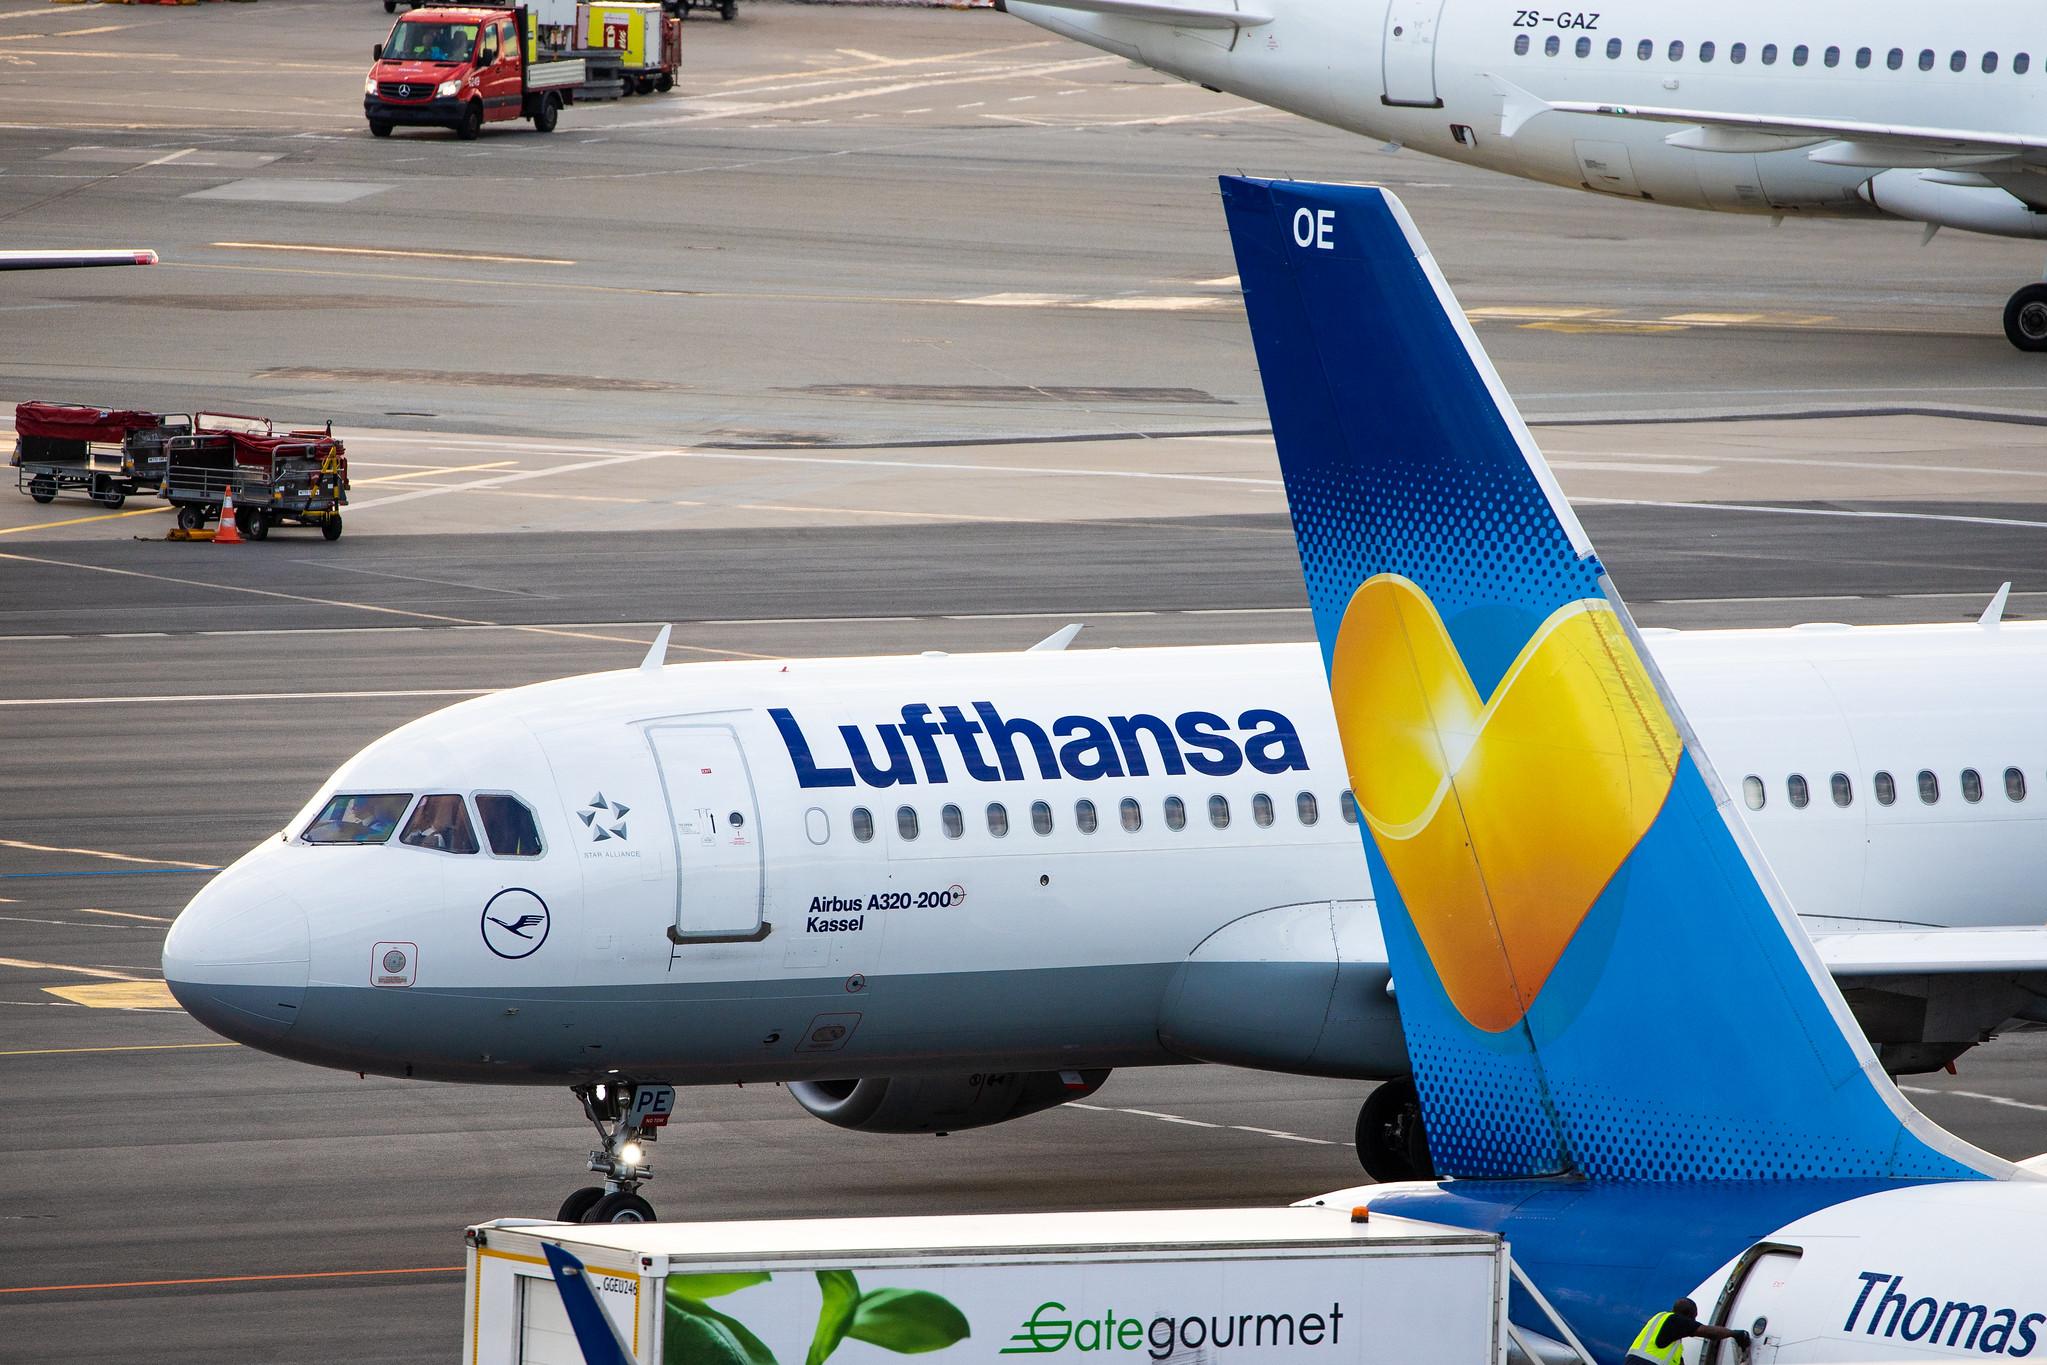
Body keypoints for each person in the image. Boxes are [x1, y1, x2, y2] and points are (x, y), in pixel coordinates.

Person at [1625, 1298, 1749, 1365]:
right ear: (1687, 1315)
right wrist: (1735, 1334)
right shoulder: (1676, 1320)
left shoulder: (1662, 1322)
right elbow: (1709, 1332)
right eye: (1694, 1318)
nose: (1694, 1321)